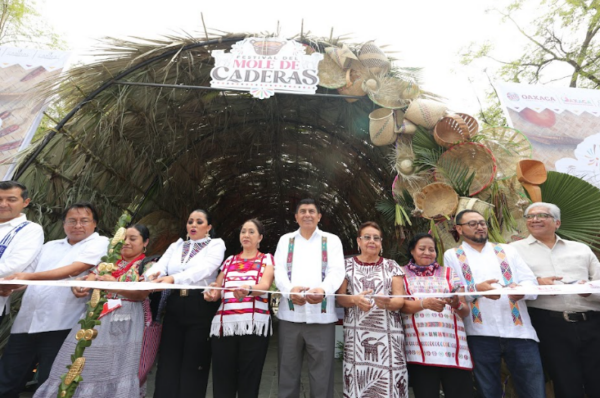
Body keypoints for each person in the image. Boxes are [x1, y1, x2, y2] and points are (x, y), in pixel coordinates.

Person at [32, 224, 156, 397]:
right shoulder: (107, 262)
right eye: (123, 239)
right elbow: (88, 283)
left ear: (145, 242)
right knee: (77, 360)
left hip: (127, 324)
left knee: (115, 368)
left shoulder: (150, 265)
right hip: (94, 319)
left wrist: (114, 285)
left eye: (133, 239)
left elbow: (141, 294)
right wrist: (80, 288)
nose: (126, 243)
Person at [0, 202, 108, 397]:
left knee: (51, 381)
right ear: (63, 224)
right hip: (27, 322)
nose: (77, 226)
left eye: (84, 221)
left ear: (95, 224)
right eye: (72, 221)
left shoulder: (100, 243)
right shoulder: (49, 246)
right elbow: (27, 274)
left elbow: (74, 269)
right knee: (7, 378)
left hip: (63, 324)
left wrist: (27, 278)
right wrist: (10, 287)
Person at [443, 209, 545, 398]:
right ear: (459, 228)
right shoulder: (452, 255)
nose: (480, 227)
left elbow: (530, 282)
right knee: (488, 391)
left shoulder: (507, 250)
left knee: (533, 390)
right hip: (480, 333)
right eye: (472, 224)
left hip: (519, 331)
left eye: (482, 223)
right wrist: (477, 290)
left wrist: (521, 291)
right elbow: (453, 292)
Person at [511, 202, 600, 398]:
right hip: (548, 324)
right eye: (530, 216)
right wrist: (536, 282)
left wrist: (589, 291)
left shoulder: (581, 249)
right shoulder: (511, 251)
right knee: (566, 383)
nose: (535, 219)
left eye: (542, 215)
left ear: (557, 222)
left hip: (592, 323)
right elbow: (507, 284)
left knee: (597, 381)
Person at [144, 209, 225, 398]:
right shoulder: (177, 245)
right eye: (190, 222)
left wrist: (173, 278)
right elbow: (161, 266)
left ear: (209, 227)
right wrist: (147, 277)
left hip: (199, 304)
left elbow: (205, 270)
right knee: (168, 359)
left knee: (194, 360)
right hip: (174, 303)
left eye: (199, 222)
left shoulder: (215, 245)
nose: (193, 225)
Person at [274, 198, 344, 398]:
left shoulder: (332, 240)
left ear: (319, 216)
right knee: (287, 372)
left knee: (322, 375)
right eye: (302, 211)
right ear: (296, 217)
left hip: (322, 318)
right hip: (290, 316)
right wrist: (289, 291)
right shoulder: (285, 240)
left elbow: (337, 271)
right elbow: (278, 271)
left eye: (312, 211)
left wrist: (322, 290)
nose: (307, 214)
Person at [336, 221, 408, 398]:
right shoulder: (346, 266)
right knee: (359, 380)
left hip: (389, 336)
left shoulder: (392, 266)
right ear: (358, 241)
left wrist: (388, 303)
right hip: (358, 336)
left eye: (376, 238)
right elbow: (340, 298)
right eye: (367, 237)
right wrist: (354, 299)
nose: (372, 241)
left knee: (390, 383)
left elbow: (400, 299)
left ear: (381, 243)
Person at [204, 218, 274, 398]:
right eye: (243, 231)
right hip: (225, 327)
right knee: (222, 380)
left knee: (249, 381)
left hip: (253, 328)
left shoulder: (267, 260)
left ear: (260, 237)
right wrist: (211, 293)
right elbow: (217, 288)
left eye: (251, 232)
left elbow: (265, 285)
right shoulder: (229, 261)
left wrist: (248, 290)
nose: (246, 235)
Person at [400, 233, 473, 398]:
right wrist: (423, 304)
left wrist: (456, 304)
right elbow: (400, 306)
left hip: (453, 348)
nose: (427, 252)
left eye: (431, 249)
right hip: (420, 349)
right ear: (412, 250)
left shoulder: (449, 273)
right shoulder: (400, 274)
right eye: (422, 248)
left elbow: (465, 310)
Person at [0, 180, 44, 323]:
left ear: (25, 202)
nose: (3, 204)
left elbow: (13, 267)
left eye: (11, 200)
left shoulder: (30, 230)